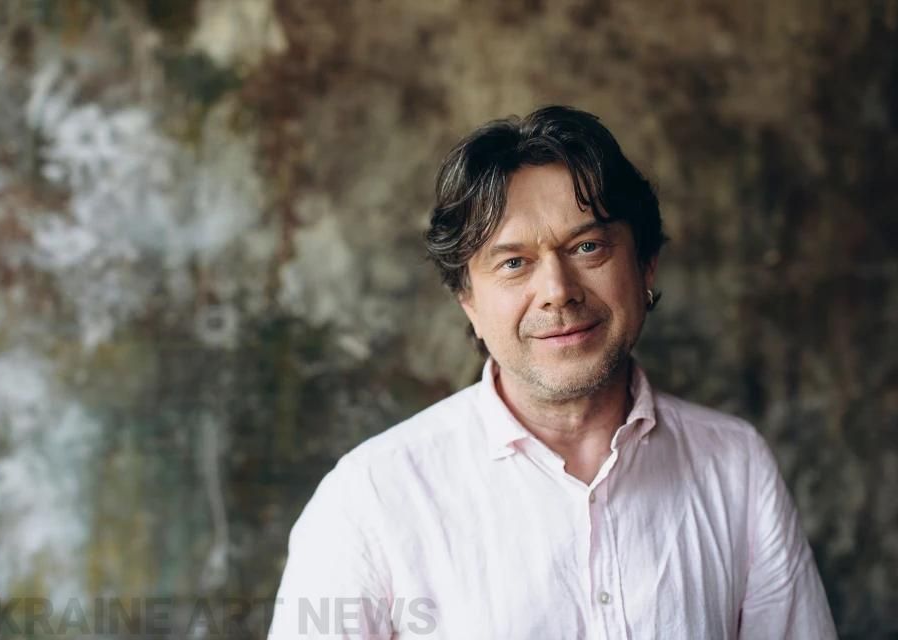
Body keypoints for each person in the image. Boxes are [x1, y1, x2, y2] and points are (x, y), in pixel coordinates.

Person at [268, 105, 837, 639]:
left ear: (646, 265)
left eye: (587, 247)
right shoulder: (371, 498)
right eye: (514, 263)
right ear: (468, 301)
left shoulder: (736, 466)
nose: (558, 291)